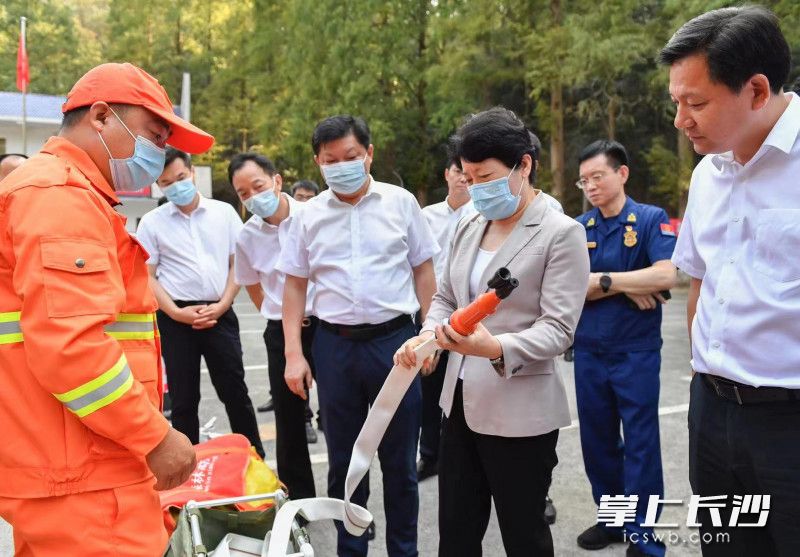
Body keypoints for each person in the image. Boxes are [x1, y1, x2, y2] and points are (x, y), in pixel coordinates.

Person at [0, 62, 207, 555]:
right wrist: (155, 437)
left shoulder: (66, 192)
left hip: (73, 459)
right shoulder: (59, 196)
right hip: (84, 474)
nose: (158, 153)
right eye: (154, 136)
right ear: (100, 116)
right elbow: (71, 348)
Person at [396, 107, 589, 557]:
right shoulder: (469, 223)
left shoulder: (561, 233)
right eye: (468, 178)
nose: (476, 188)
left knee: (524, 535)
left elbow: (559, 328)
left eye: (485, 176)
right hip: (460, 403)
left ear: (524, 165)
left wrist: (495, 347)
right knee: (456, 533)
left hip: (521, 409)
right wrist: (428, 337)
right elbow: (446, 297)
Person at [661, 6, 800, 555]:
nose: (681, 120)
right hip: (711, 411)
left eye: (696, 103)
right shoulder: (708, 174)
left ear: (757, 90)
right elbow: (700, 283)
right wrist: (703, 381)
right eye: (676, 102)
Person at [277, 114, 439, 556]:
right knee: (345, 463)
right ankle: (351, 550)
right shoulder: (308, 217)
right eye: (330, 160)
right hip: (335, 347)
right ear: (318, 162)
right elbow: (294, 286)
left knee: (400, 463)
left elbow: (424, 271)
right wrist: (294, 354)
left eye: (350, 156)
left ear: (368, 153)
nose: (341, 166)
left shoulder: (401, 203)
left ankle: (404, 550)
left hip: (396, 345)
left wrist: (430, 335)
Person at [572, 139, 676, 557]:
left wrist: (604, 281)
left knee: (641, 443)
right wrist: (632, 284)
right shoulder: (579, 228)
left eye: (597, 176)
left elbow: (666, 276)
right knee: (597, 442)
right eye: (584, 181)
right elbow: (569, 288)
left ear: (622, 173)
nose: (590, 186)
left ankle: (643, 534)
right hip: (589, 351)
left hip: (636, 351)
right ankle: (613, 521)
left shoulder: (650, 219)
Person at [136, 147, 265, 458]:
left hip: (219, 312)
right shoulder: (152, 222)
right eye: (167, 183)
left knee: (235, 392)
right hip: (176, 318)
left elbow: (238, 264)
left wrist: (223, 303)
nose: (176, 186)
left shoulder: (224, 213)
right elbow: (147, 276)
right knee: (183, 399)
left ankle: (255, 458)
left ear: (192, 172)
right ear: (158, 186)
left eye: (180, 177)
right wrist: (176, 312)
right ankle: (185, 467)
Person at [229, 152, 318, 499]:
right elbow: (253, 286)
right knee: (289, 419)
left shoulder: (313, 216)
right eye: (243, 193)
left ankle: (346, 500)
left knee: (340, 415)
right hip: (281, 331)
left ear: (277, 181)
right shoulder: (247, 236)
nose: (253, 197)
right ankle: (300, 501)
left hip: (327, 327)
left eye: (258, 186)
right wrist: (279, 316)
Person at [417, 156, 472, 482]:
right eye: (457, 172)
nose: (463, 178)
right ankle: (430, 455)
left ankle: (462, 459)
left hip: (470, 316)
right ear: (446, 174)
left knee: (466, 389)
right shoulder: (427, 216)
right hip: (432, 313)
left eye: (468, 173)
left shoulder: (481, 215)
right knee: (429, 388)